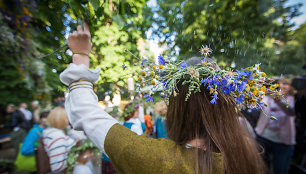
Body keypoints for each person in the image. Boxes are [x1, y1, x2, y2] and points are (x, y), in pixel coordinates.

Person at [59, 21, 265, 174]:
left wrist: (80, 55)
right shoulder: (246, 152)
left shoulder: (154, 159)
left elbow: (85, 113)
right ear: (223, 105)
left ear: (176, 108)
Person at [255, 78, 296, 174]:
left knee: (280, 170)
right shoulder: (267, 98)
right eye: (278, 84)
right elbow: (256, 102)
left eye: (285, 84)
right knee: (261, 169)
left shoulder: (292, 99)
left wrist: (279, 101)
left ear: (290, 87)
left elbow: (291, 112)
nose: (281, 86)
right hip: (263, 138)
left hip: (283, 143)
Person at [43, 106, 76, 173]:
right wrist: (77, 159)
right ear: (63, 119)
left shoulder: (50, 132)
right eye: (67, 117)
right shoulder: (57, 136)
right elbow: (57, 166)